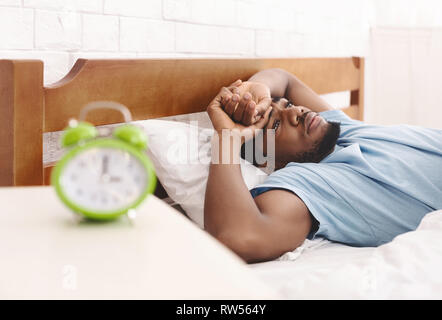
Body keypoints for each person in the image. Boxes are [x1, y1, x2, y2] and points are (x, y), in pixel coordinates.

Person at [204, 68, 442, 263]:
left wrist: (256, 89)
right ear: (267, 162)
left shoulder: (338, 130)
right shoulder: (308, 183)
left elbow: (284, 80)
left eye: (286, 105)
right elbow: (240, 236)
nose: (296, 112)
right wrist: (227, 138)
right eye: (275, 126)